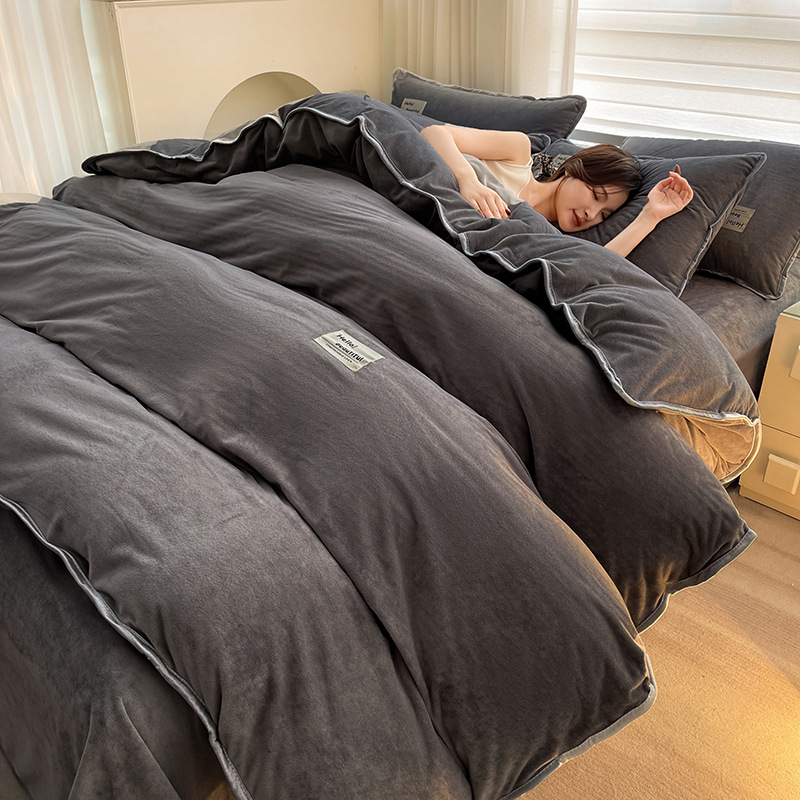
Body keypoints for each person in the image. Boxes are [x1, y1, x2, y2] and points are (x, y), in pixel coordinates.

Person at [420, 124, 693, 258]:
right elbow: (434, 133)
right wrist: (469, 181)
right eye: (596, 196)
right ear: (573, 169)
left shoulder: (546, 235)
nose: (591, 214)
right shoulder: (517, 155)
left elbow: (593, 264)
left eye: (604, 214)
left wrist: (650, 216)